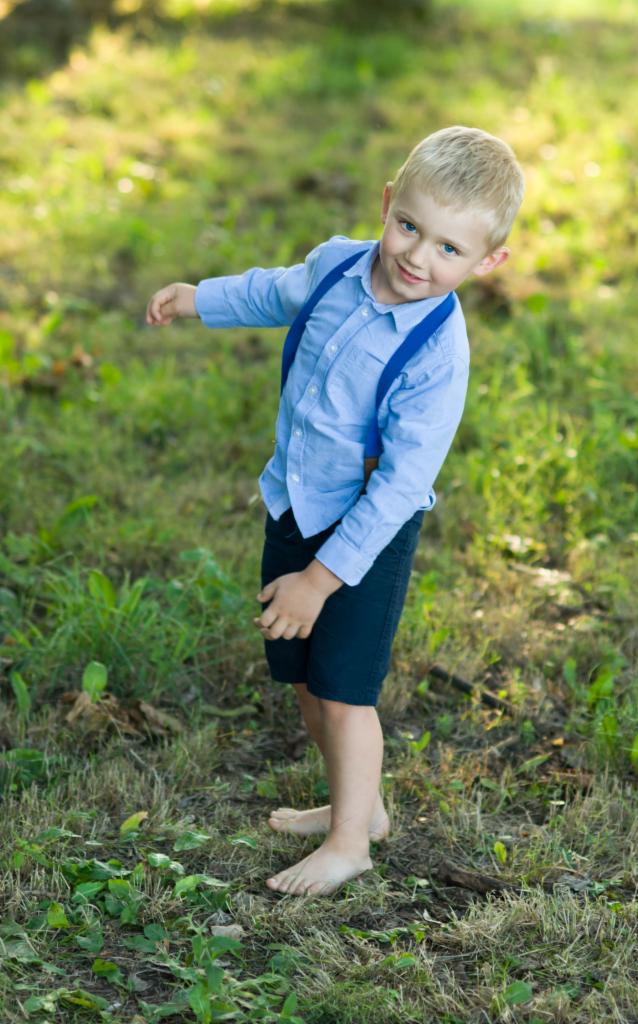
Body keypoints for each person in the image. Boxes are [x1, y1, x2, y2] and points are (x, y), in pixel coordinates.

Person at [145, 125, 524, 897]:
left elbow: (395, 488)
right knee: (305, 678)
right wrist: (198, 298)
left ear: (488, 263)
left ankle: (351, 843)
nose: (417, 257)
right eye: (409, 227)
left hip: (363, 537)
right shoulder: (339, 266)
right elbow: (273, 288)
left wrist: (319, 580)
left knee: (346, 692)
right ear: (387, 204)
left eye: (449, 249)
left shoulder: (436, 357)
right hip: (294, 498)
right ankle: (360, 806)